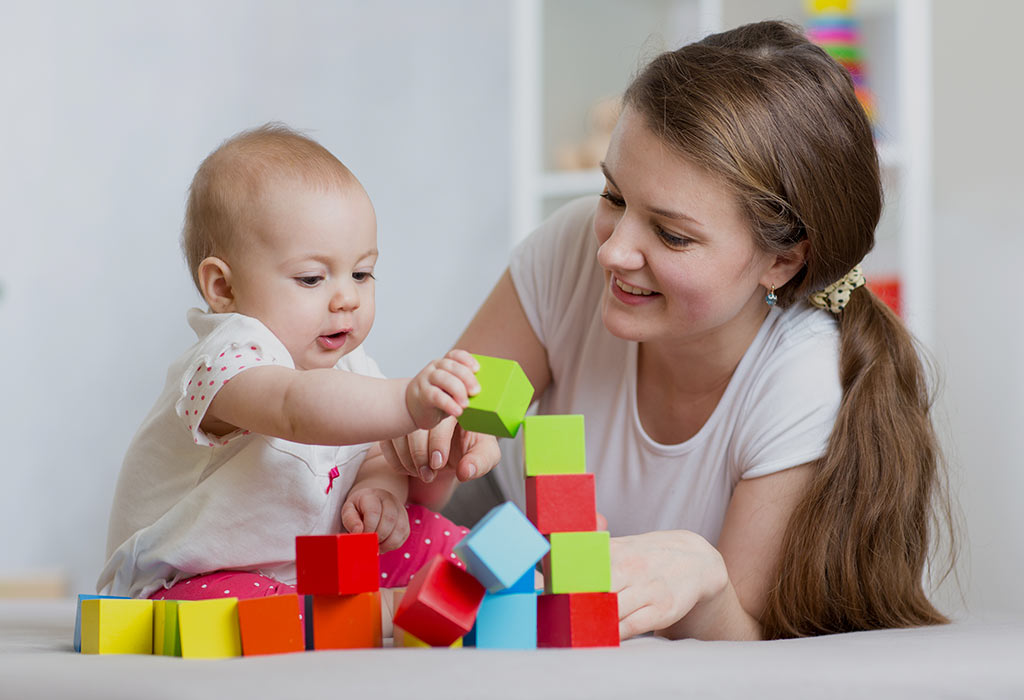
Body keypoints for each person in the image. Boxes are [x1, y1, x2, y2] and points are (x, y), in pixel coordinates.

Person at [386, 21, 954, 640]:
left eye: (672, 234)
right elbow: (442, 436)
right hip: (496, 538)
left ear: (782, 260)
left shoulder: (800, 381)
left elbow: (748, 645)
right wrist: (415, 452)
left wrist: (704, 583)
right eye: (612, 194)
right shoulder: (572, 248)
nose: (612, 252)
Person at [97, 124, 495, 601]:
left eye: (362, 273)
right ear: (223, 288)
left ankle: (520, 588)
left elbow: (371, 453)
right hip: (186, 576)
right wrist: (407, 401)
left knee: (432, 535)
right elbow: (295, 407)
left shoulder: (351, 366)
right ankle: (371, 614)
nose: (347, 297)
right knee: (264, 611)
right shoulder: (224, 361)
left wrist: (380, 492)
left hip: (311, 566)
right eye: (311, 278)